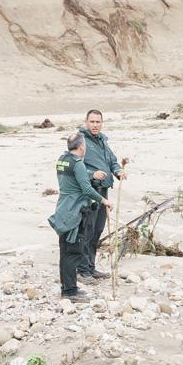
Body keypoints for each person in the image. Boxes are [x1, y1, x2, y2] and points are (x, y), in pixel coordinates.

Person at [50, 133, 109, 302]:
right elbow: (86, 190)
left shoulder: (62, 159)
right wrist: (104, 200)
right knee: (73, 251)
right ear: (82, 147)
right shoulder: (78, 164)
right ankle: (70, 291)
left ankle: (67, 288)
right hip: (74, 212)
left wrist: (90, 174)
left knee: (65, 251)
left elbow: (77, 175)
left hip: (63, 209)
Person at [76, 109, 125, 279]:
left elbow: (112, 160)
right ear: (86, 122)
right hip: (89, 192)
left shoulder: (103, 140)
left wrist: (118, 171)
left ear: (102, 123)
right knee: (87, 230)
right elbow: (73, 164)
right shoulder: (80, 140)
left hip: (103, 191)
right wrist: (91, 174)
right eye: (92, 122)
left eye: (98, 122)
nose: (95, 125)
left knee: (97, 230)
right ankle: (82, 270)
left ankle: (91, 267)